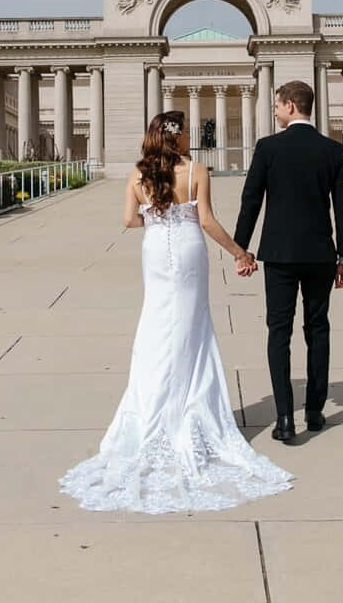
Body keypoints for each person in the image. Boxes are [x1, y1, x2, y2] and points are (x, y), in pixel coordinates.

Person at [58, 111, 293, 513]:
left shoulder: (138, 174)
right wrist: (240, 252)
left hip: (155, 251)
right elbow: (207, 220)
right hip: (188, 251)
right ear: (178, 137)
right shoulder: (196, 169)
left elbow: (129, 220)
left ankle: (152, 410)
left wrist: (156, 216)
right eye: (185, 133)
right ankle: (190, 409)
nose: (188, 138)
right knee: (191, 329)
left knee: (155, 328)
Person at [234, 80, 343, 444]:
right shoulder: (332, 149)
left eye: (276, 104)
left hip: (280, 255)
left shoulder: (269, 148)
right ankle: (315, 410)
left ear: (289, 105)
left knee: (279, 331)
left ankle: (285, 417)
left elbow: (251, 200)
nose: (274, 110)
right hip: (320, 253)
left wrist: (242, 248)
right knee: (318, 329)